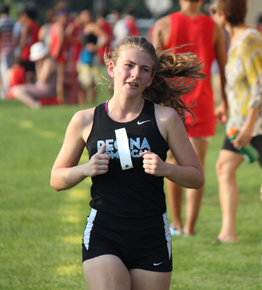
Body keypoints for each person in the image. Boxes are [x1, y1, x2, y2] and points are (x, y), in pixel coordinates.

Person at [51, 36, 205, 290]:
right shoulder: (85, 120)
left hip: (151, 235)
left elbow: (196, 177)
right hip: (105, 233)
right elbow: (56, 179)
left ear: (151, 78)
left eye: (144, 70)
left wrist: (166, 169)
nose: (135, 75)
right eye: (129, 66)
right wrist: (85, 168)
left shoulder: (165, 119)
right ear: (112, 68)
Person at [152, 0, 228, 236]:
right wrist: (225, 100)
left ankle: (176, 224)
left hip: (171, 104)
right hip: (203, 104)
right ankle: (190, 228)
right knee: (197, 166)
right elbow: (224, 68)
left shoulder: (164, 23)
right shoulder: (214, 26)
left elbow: (152, 69)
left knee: (173, 164)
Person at [212, 0, 262, 243]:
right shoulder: (235, 40)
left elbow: (259, 83)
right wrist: (226, 105)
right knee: (224, 167)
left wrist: (250, 126)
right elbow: (239, 84)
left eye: (214, 11)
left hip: (256, 124)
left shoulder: (250, 38)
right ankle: (228, 233)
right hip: (238, 122)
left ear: (223, 14)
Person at [10, 42, 57, 108]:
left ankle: (35, 106)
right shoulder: (45, 62)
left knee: (16, 90)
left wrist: (37, 66)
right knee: (16, 89)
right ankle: (35, 105)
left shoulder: (48, 62)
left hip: (46, 90)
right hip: (41, 87)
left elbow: (43, 79)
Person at [77, 9, 108, 105]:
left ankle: (91, 104)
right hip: (84, 56)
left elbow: (105, 37)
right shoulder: (83, 28)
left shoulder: (93, 27)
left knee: (91, 82)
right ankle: (82, 104)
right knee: (82, 81)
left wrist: (96, 47)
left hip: (92, 57)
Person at [0, 4, 16, 96]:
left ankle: (6, 90)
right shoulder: (13, 22)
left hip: (3, 49)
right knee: (11, 70)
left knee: (5, 71)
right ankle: (11, 87)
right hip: (12, 48)